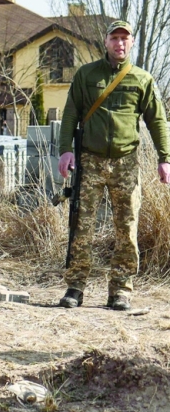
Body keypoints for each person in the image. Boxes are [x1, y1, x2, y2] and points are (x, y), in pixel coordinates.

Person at [57, 20, 170, 311]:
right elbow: (71, 112)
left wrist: (164, 158)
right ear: (105, 42)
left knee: (126, 227)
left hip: (126, 163)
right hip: (90, 160)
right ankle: (75, 286)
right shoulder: (86, 74)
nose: (119, 43)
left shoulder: (142, 79)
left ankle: (120, 291)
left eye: (125, 38)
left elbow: (157, 121)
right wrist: (65, 151)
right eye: (114, 38)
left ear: (131, 43)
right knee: (81, 225)